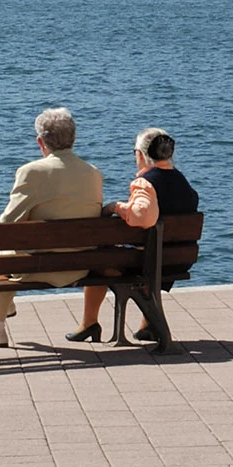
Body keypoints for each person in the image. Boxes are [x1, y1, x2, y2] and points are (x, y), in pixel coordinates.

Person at [0, 107, 104, 347]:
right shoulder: (93, 173)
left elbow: (7, 224)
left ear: (40, 142)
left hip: (39, 265)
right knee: (7, 251)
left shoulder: (32, 172)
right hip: (81, 264)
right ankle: (1, 313)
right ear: (74, 138)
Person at [66, 127, 200, 342]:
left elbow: (141, 215)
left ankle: (89, 323)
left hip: (149, 263)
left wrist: (116, 207)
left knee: (98, 258)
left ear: (140, 154)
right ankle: (148, 324)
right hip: (177, 261)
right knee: (150, 254)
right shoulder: (183, 183)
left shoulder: (145, 183)